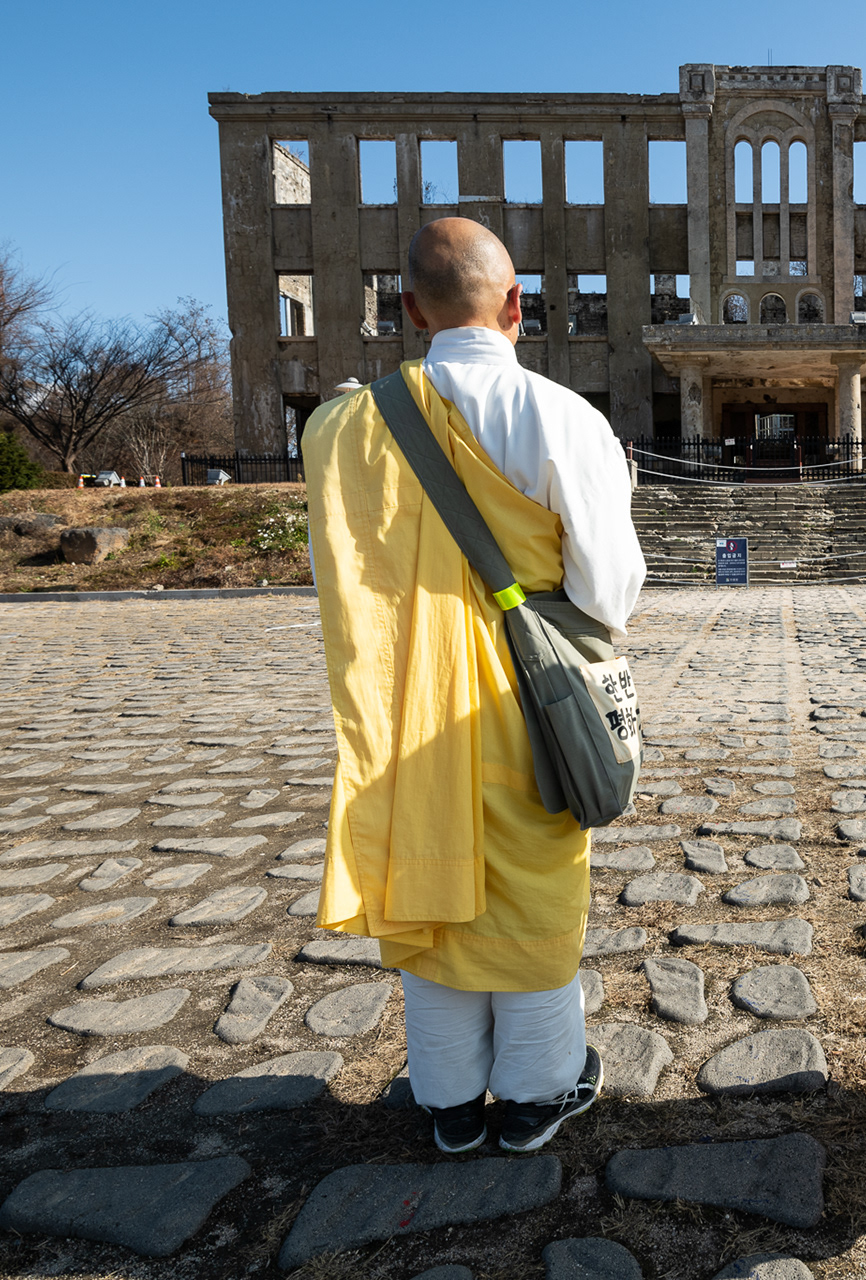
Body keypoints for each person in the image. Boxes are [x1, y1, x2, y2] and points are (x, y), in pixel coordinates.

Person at [302, 217, 645, 1155]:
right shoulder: (561, 416)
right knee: (534, 886)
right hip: (521, 696)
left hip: (400, 699)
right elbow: (609, 588)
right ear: (517, 305)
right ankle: (537, 1095)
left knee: (427, 877)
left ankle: (449, 1102)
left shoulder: (341, 429)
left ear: (407, 311)